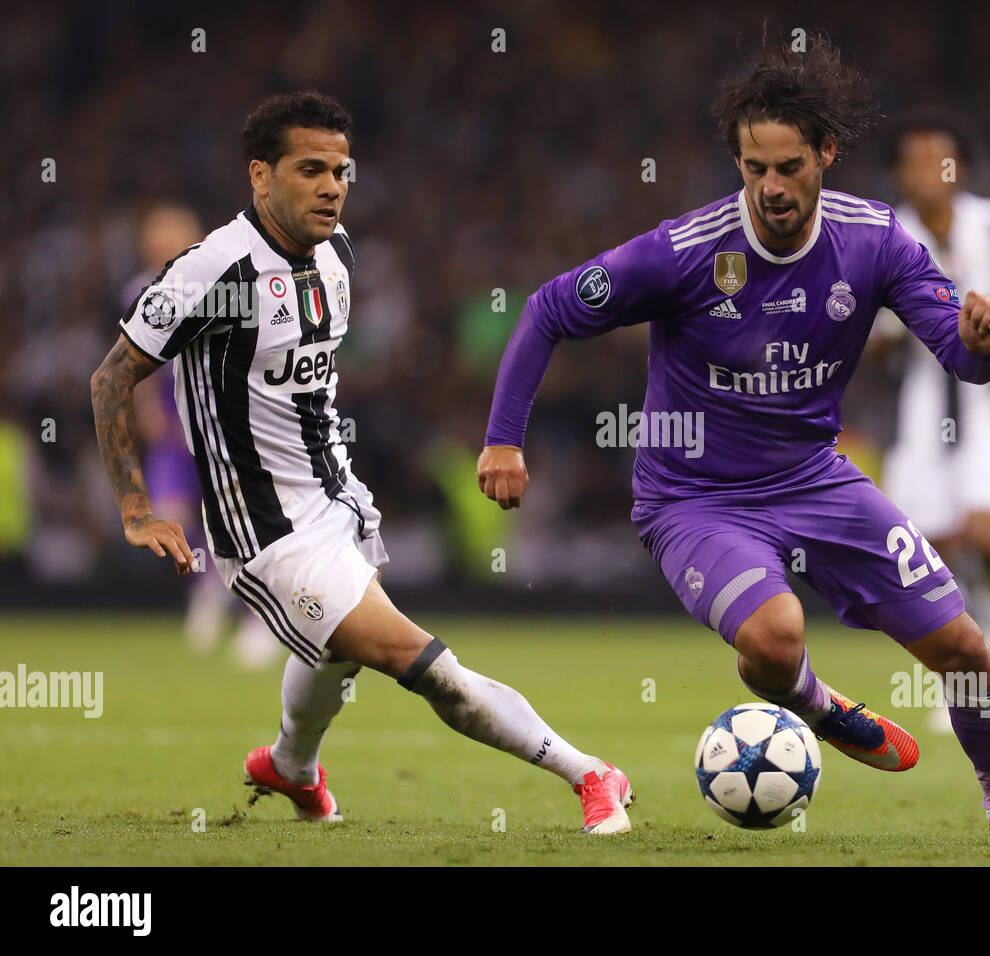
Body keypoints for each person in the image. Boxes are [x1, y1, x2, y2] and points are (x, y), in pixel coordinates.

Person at [478, 36, 990, 847]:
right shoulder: (685, 251)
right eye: (754, 168)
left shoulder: (876, 241)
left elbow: (965, 362)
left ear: (826, 153)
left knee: (964, 646)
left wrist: (982, 339)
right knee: (776, 633)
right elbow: (547, 308)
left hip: (817, 481)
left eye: (789, 167)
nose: (771, 187)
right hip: (695, 501)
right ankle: (820, 706)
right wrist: (503, 441)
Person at [90, 91, 633, 834]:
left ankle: (289, 767)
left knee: (335, 655)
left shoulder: (338, 253)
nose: (331, 186)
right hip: (266, 531)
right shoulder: (210, 270)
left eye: (341, 170)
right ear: (260, 175)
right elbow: (111, 378)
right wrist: (135, 507)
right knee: (424, 666)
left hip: (338, 496)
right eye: (310, 169)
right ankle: (591, 774)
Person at [872, 115, 990, 732]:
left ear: (962, 168)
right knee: (931, 551)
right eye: (918, 160)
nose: (932, 171)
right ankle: (970, 669)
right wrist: (885, 332)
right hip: (921, 409)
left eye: (942, 159)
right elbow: (861, 328)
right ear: (900, 172)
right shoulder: (885, 233)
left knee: (985, 530)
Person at [123, 202, 282, 668]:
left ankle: (261, 619)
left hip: (220, 425)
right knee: (171, 516)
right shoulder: (136, 291)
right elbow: (134, 358)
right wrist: (149, 408)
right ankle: (210, 587)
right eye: (154, 240)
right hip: (174, 429)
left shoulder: (219, 286)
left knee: (244, 522)